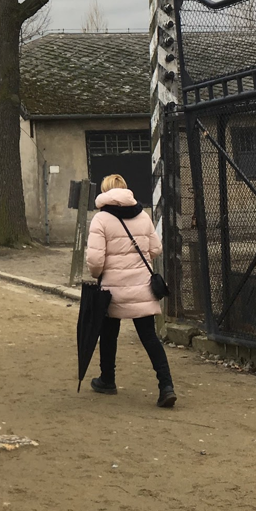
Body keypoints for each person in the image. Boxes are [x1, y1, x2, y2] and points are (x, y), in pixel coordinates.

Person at [86, 173, 177, 408]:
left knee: (108, 334)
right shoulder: (143, 216)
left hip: (112, 289)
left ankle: (108, 379)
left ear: (105, 192)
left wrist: (100, 275)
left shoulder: (101, 219)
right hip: (142, 287)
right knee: (149, 337)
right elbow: (155, 248)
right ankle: (166, 385)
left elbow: (95, 261)